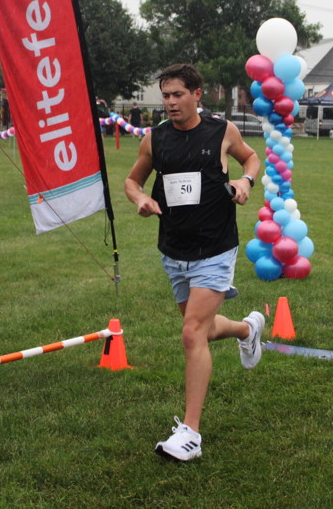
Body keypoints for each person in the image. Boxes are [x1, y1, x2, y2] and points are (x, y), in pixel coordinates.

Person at [124, 63, 263, 462]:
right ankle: (247, 329)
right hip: (174, 249)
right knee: (202, 329)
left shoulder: (222, 131)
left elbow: (251, 158)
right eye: (165, 96)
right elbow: (132, 181)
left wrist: (245, 181)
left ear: (197, 95)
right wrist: (141, 199)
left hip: (216, 247)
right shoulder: (155, 139)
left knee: (191, 333)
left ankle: (190, 434)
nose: (170, 102)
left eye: (177, 94)